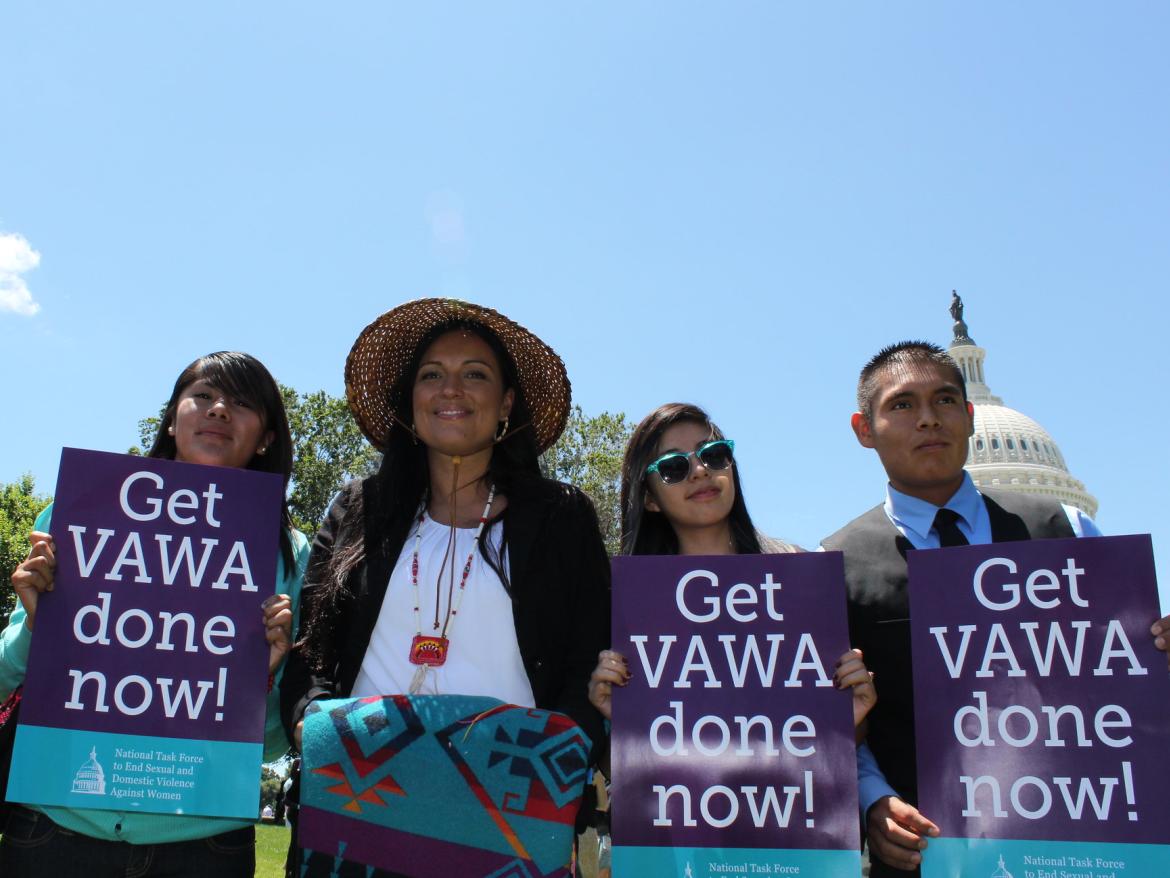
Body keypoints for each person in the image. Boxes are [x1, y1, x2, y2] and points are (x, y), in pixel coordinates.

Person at [821, 340, 1170, 876]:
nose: (928, 420)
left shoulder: (1066, 533)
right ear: (863, 429)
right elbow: (837, 715)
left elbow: (1125, 689)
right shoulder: (835, 565)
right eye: (902, 404)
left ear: (969, 414)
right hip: (929, 854)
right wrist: (873, 801)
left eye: (943, 400)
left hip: (1076, 847)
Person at [279, 299, 611, 816]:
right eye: (431, 375)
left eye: (474, 374)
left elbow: (586, 662)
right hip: (361, 797)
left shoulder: (561, 519)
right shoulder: (357, 509)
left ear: (506, 404)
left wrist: (555, 753)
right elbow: (312, 651)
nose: (450, 389)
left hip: (508, 806)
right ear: (411, 402)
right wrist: (311, 723)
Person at [1, 351, 310, 878]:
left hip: (203, 846)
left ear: (265, 437)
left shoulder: (288, 554)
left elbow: (276, 744)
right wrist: (36, 624)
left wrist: (267, 674)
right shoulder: (76, 515)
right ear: (172, 418)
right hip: (54, 831)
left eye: (240, 402)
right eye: (203, 396)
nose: (217, 410)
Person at [587, 401, 876, 742]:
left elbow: (834, 747)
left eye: (713, 454)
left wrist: (850, 714)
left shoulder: (798, 576)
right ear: (650, 498)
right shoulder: (628, 607)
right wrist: (619, 716)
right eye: (674, 467)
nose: (699, 471)